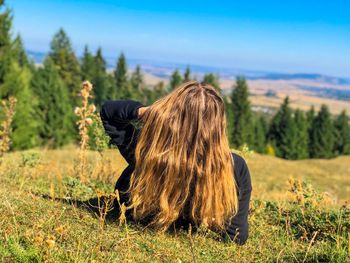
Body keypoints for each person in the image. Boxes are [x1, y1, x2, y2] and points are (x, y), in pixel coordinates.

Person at [100, 81, 252, 245]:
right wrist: (212, 220)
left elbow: (109, 111)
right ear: (218, 125)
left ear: (171, 113)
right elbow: (236, 236)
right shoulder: (232, 166)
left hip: (132, 214)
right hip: (184, 227)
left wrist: (151, 113)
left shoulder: (149, 150)